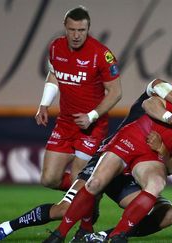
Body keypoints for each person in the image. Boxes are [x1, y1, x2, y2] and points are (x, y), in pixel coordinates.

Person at [0, 77, 172, 243]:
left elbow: (170, 168)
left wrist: (162, 148)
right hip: (108, 159)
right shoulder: (155, 101)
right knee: (65, 210)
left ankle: (101, 236)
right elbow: (157, 83)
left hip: (130, 176)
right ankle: (6, 227)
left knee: (165, 214)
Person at [43, 81, 172, 242]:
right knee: (94, 183)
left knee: (157, 184)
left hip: (152, 155)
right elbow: (149, 103)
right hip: (136, 135)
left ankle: (116, 236)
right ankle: (59, 234)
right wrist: (171, 116)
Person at [34, 6, 122, 191]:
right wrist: (44, 105)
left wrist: (91, 116)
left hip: (92, 126)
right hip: (65, 122)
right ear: (65, 27)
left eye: (81, 30)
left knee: (77, 177)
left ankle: (87, 209)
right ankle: (92, 191)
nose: (76, 35)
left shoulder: (101, 54)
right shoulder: (55, 47)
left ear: (88, 29)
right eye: (72, 30)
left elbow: (115, 92)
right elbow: (54, 74)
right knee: (49, 179)